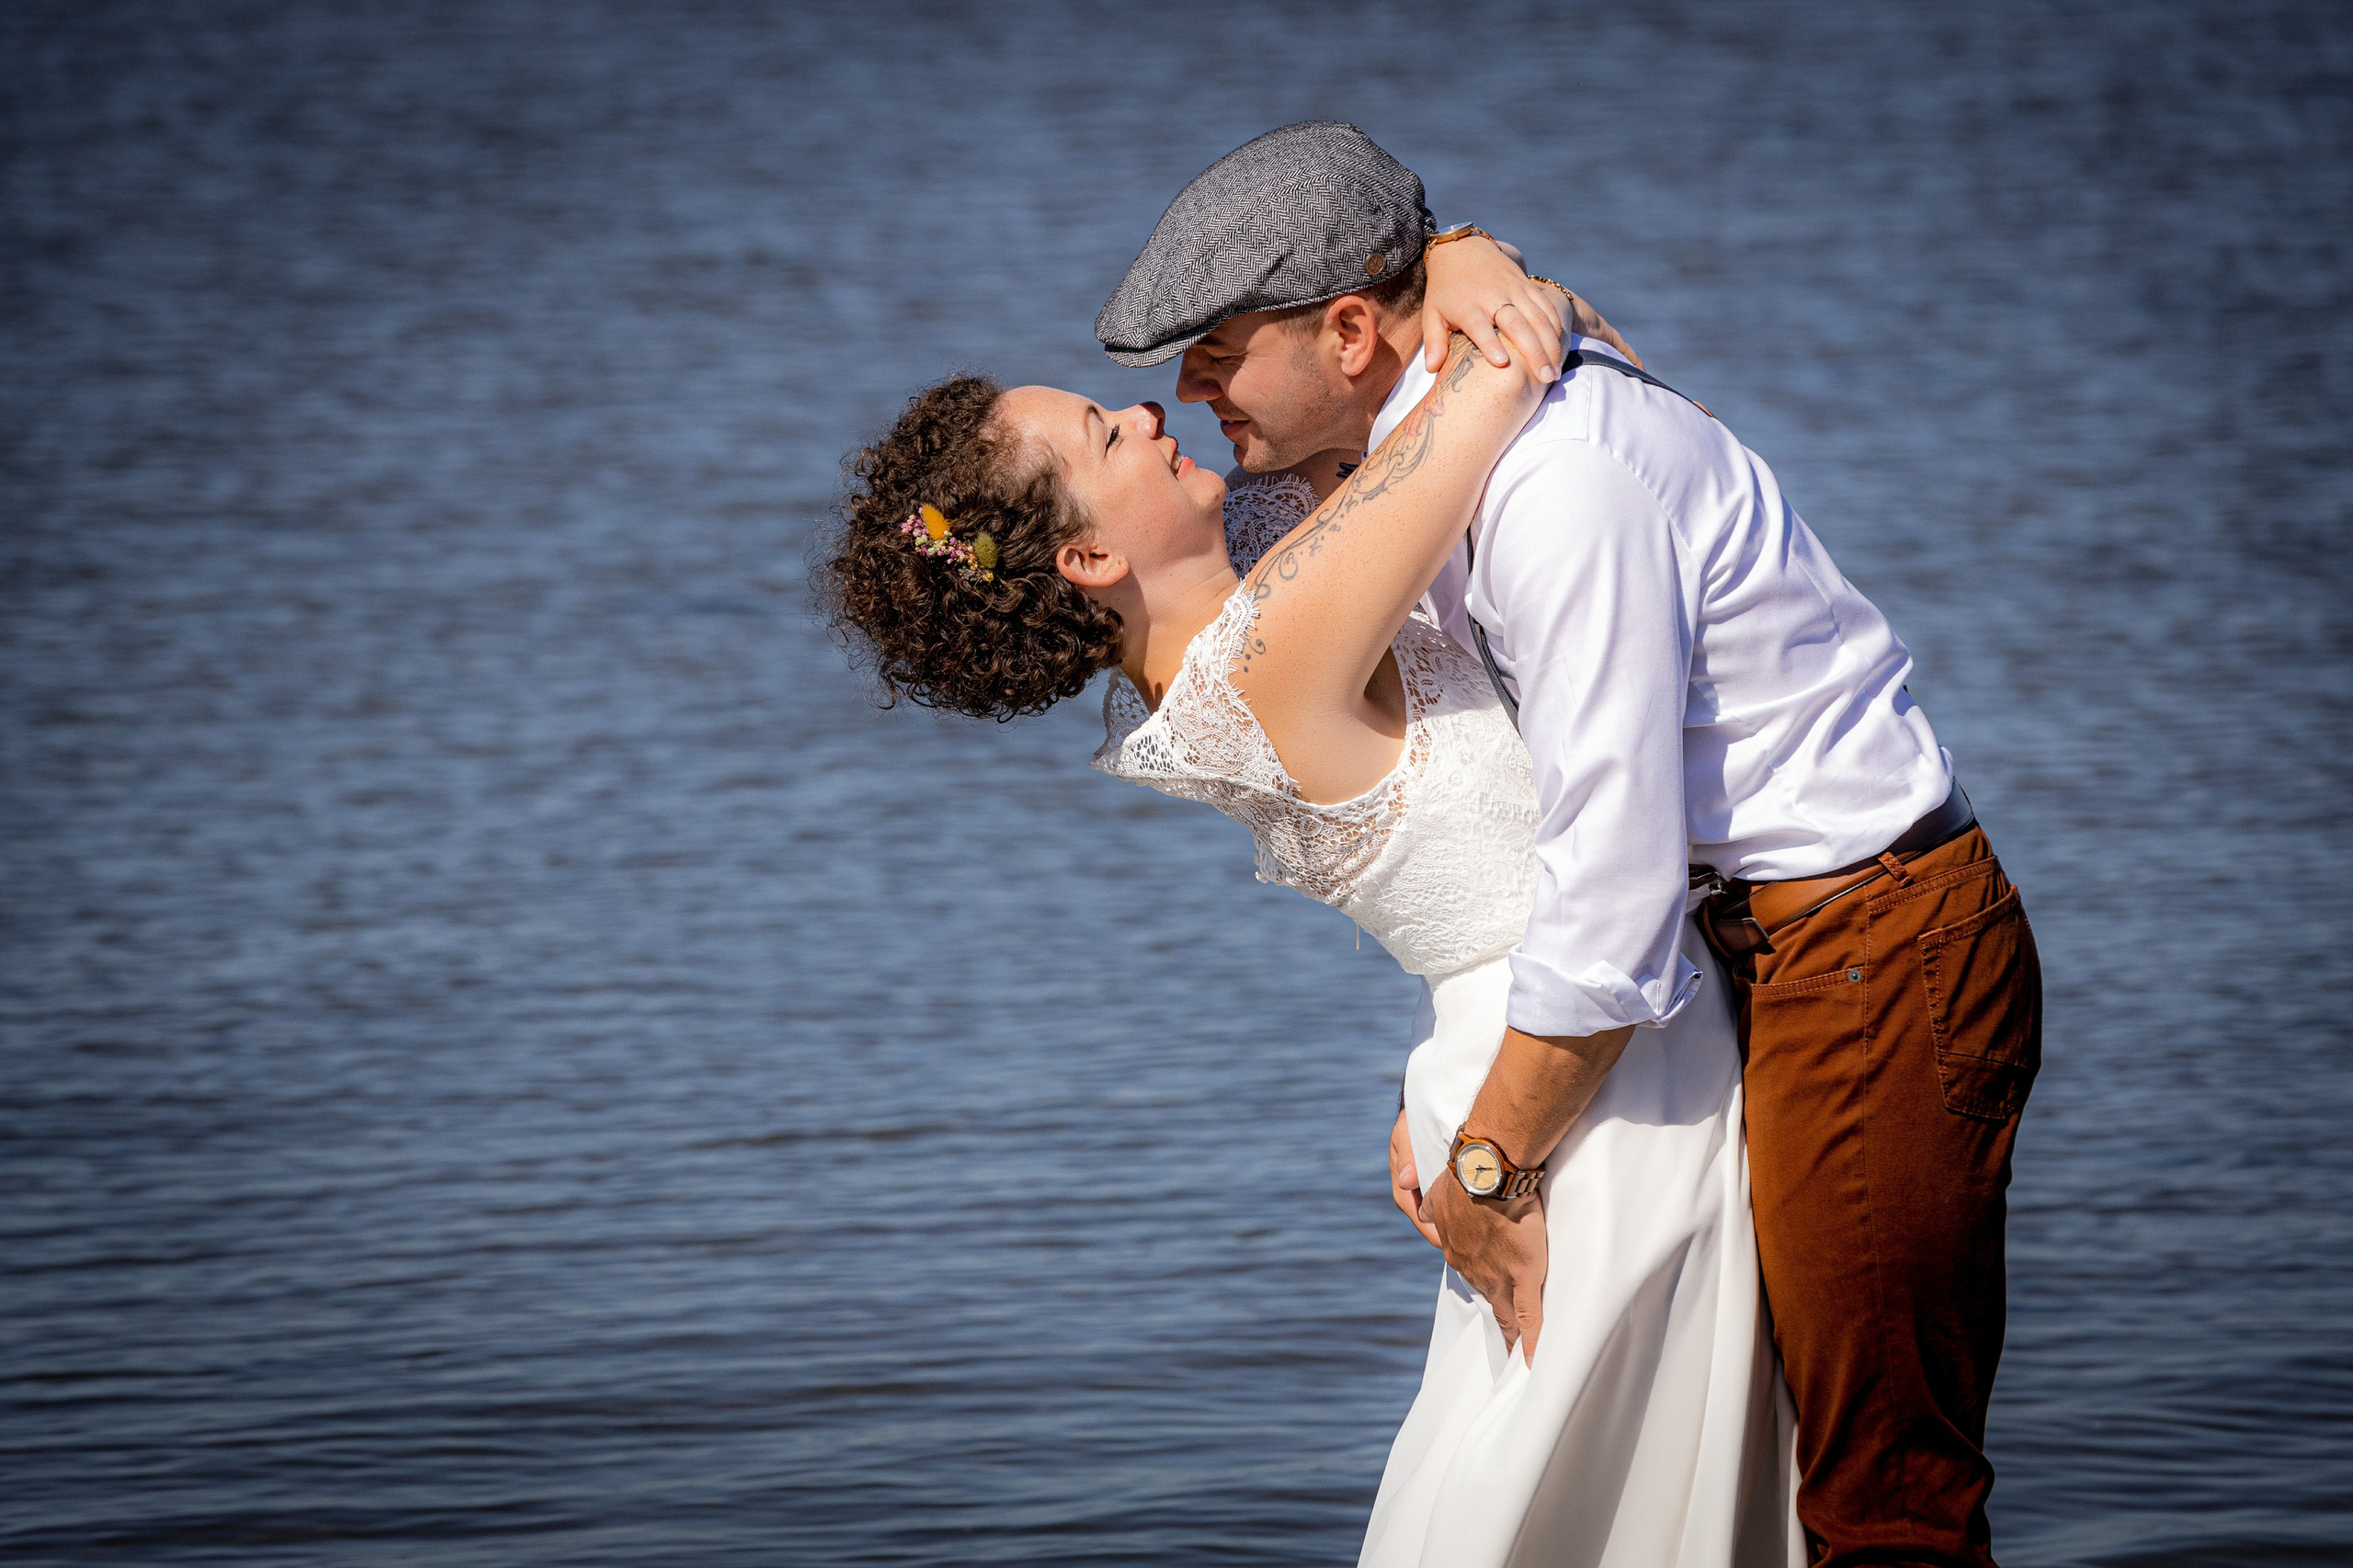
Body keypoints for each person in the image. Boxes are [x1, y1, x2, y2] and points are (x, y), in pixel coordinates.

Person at [1097, 121, 2044, 1568]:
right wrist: (1476, 250)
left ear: (1350, 329)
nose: (1185, 389)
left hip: (1869, 946)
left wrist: (1487, 1162)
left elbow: (1609, 866)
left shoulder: (1558, 489)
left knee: (1881, 1504)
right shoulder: (1405, 448)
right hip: (1758, 958)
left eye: (1217, 348)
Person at [819, 210, 1801, 1561]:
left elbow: (1382, 388)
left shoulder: (1239, 608)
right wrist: (1460, 256)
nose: (1155, 413)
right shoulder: (1266, 656)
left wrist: (1430, 259)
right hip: (1589, 1091)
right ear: (1093, 559)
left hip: (1544, 1046)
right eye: (1108, 436)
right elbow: (1498, 372)